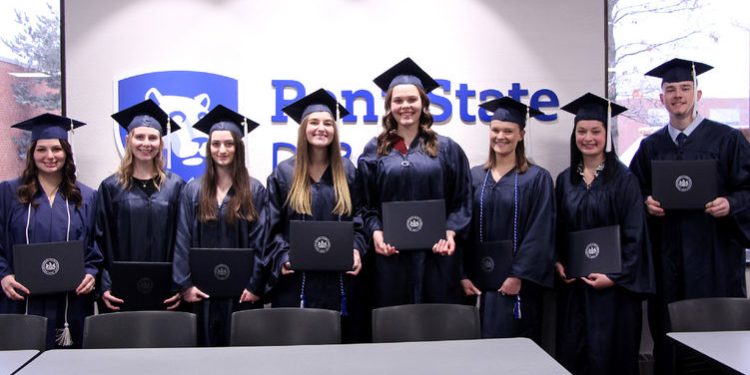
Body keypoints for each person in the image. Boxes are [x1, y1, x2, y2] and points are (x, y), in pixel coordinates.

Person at [629, 58, 750, 373]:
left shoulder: (728, 140)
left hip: (715, 260)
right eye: (670, 89)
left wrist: (731, 204)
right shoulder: (650, 147)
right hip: (667, 260)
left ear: (698, 93)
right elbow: (631, 196)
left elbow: (748, 189)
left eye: (685, 88)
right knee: (668, 338)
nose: (678, 95)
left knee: (718, 341)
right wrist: (645, 203)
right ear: (661, 98)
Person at [357, 57, 472, 307]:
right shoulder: (374, 151)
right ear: (389, 107)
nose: (405, 106)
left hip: (437, 256)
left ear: (424, 104)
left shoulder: (447, 149)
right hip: (391, 257)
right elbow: (365, 205)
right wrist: (376, 233)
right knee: (393, 324)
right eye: (398, 100)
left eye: (412, 99)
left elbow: (462, 200)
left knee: (435, 324)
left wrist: (451, 232)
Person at [555, 93, 654, 375]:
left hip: (614, 296)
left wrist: (614, 277)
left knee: (612, 358)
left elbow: (635, 236)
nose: (588, 138)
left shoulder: (625, 180)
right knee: (574, 356)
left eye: (596, 131)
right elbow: (559, 230)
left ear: (606, 135)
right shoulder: (565, 181)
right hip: (575, 291)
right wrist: (558, 261)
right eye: (582, 131)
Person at [266, 88, 367, 341]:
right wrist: (283, 256)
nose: (321, 128)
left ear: (335, 130)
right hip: (297, 282)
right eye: (314, 122)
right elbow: (271, 227)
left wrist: (356, 249)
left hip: (340, 282)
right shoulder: (283, 173)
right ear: (303, 129)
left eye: (328, 123)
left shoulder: (348, 171)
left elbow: (361, 219)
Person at [0, 114, 101, 348]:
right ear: (32, 153)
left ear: (66, 152)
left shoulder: (86, 197)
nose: (50, 156)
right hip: (20, 300)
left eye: (56, 149)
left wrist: (90, 272)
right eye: (41, 150)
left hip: (70, 302)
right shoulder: (8, 193)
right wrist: (3, 276)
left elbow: (96, 245)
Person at [459, 97, 555, 343]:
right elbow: (461, 228)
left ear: (521, 134)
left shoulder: (537, 179)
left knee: (514, 351)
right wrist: (462, 274)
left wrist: (518, 276)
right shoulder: (473, 177)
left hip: (518, 286)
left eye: (508, 131)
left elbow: (540, 231)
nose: (500, 136)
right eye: (495, 130)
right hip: (479, 286)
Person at [172, 105, 268, 346]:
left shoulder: (254, 190)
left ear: (239, 147)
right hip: (202, 295)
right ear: (208, 147)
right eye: (216, 144)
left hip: (242, 295)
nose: (222, 150)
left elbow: (262, 242)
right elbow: (182, 239)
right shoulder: (193, 190)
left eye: (229, 143)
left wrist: (256, 285)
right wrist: (185, 285)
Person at [96, 99, 185, 311]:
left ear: (161, 143)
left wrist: (181, 284)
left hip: (167, 291)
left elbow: (183, 241)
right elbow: (101, 240)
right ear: (128, 140)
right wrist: (105, 284)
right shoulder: (110, 188)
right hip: (121, 290)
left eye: (153, 137)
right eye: (140, 137)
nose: (146, 143)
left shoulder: (176, 186)